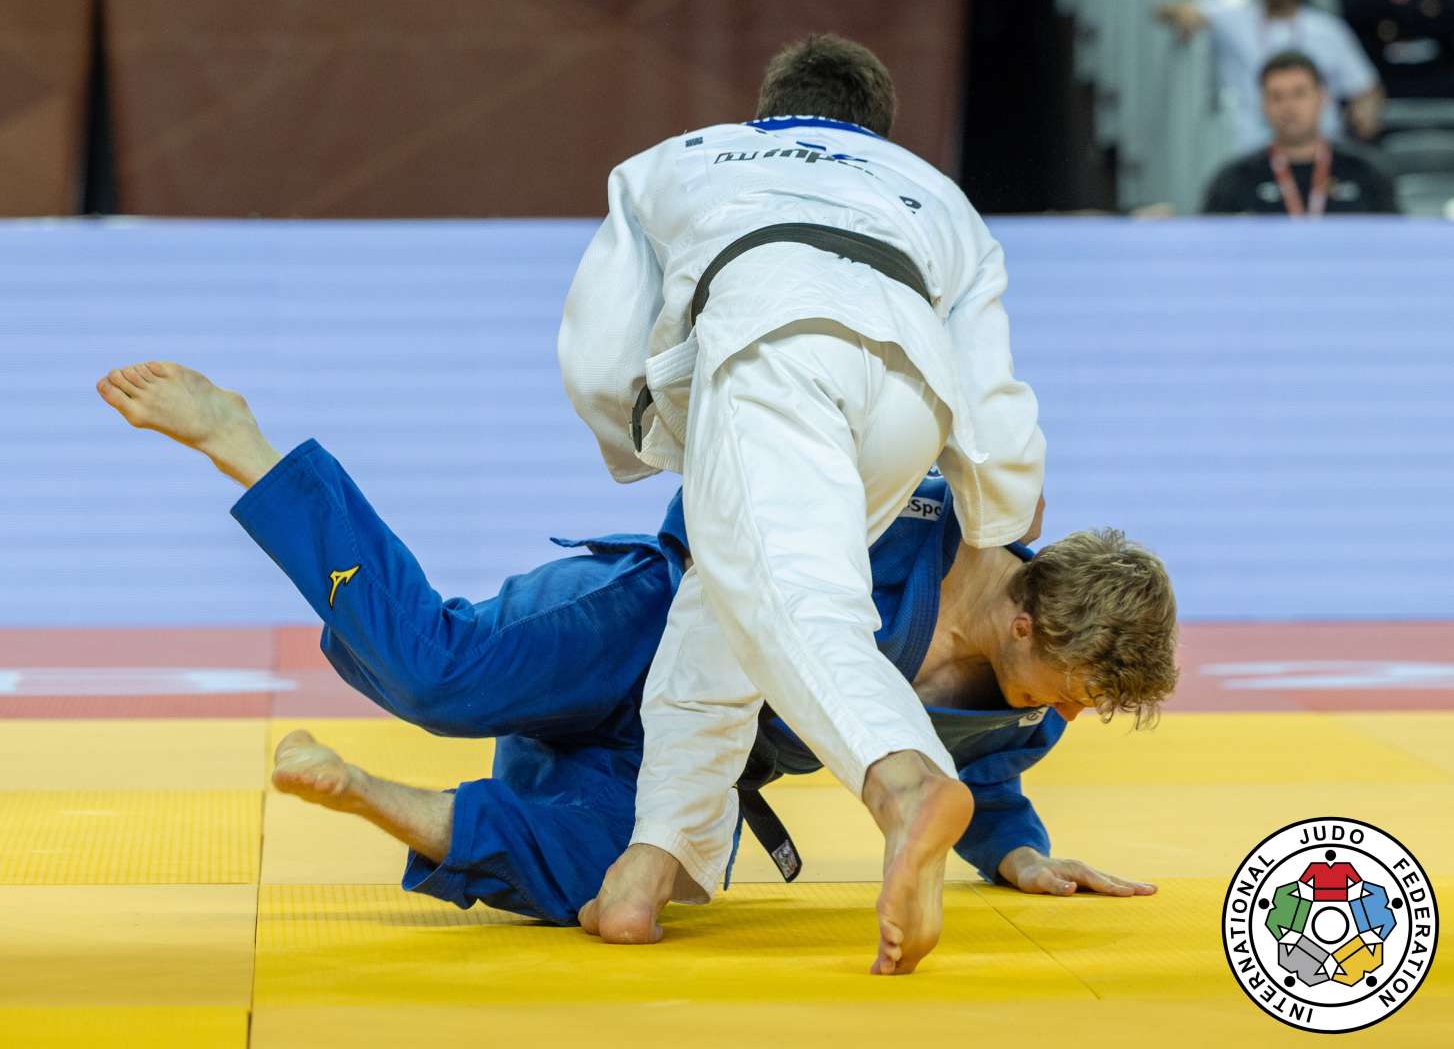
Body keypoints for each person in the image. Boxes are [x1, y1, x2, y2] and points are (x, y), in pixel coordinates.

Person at [93, 360, 1175, 927]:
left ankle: (371, 795)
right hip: (643, 624)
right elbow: (725, 487)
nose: (1067, 713)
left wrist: (1020, 855)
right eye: (1074, 688)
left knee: (614, 884)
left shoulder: (1025, 707)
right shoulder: (906, 506)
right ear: (1025, 617)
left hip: (696, 751)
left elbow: (980, 782)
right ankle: (243, 442)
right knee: (435, 675)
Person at [557, 34, 1045, 974]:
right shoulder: (938, 195)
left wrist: (649, 437)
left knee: (796, 600)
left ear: (767, 108)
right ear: (879, 131)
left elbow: (599, 342)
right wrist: (1000, 504)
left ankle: (904, 781)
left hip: (775, 341)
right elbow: (989, 382)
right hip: (912, 396)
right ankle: (651, 865)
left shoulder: (676, 159)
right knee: (727, 607)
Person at [1157, 0, 1386, 150]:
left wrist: (1365, 114)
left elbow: (1365, 87)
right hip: (1249, 148)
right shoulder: (1231, 17)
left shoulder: (1328, 30)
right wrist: (1184, 15)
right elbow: (1168, 10)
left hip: (1319, 149)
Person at [1203, 51, 1400, 213]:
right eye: (1277, 97)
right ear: (1263, 106)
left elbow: (1395, 240)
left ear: (1322, 98)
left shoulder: (1366, 172)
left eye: (1299, 94)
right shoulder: (1235, 180)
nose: (1289, 107)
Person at [1339, 0, 1454, 98]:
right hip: (1379, 77)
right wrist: (1418, 10)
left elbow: (1446, 18)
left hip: (1439, 76)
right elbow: (1356, 15)